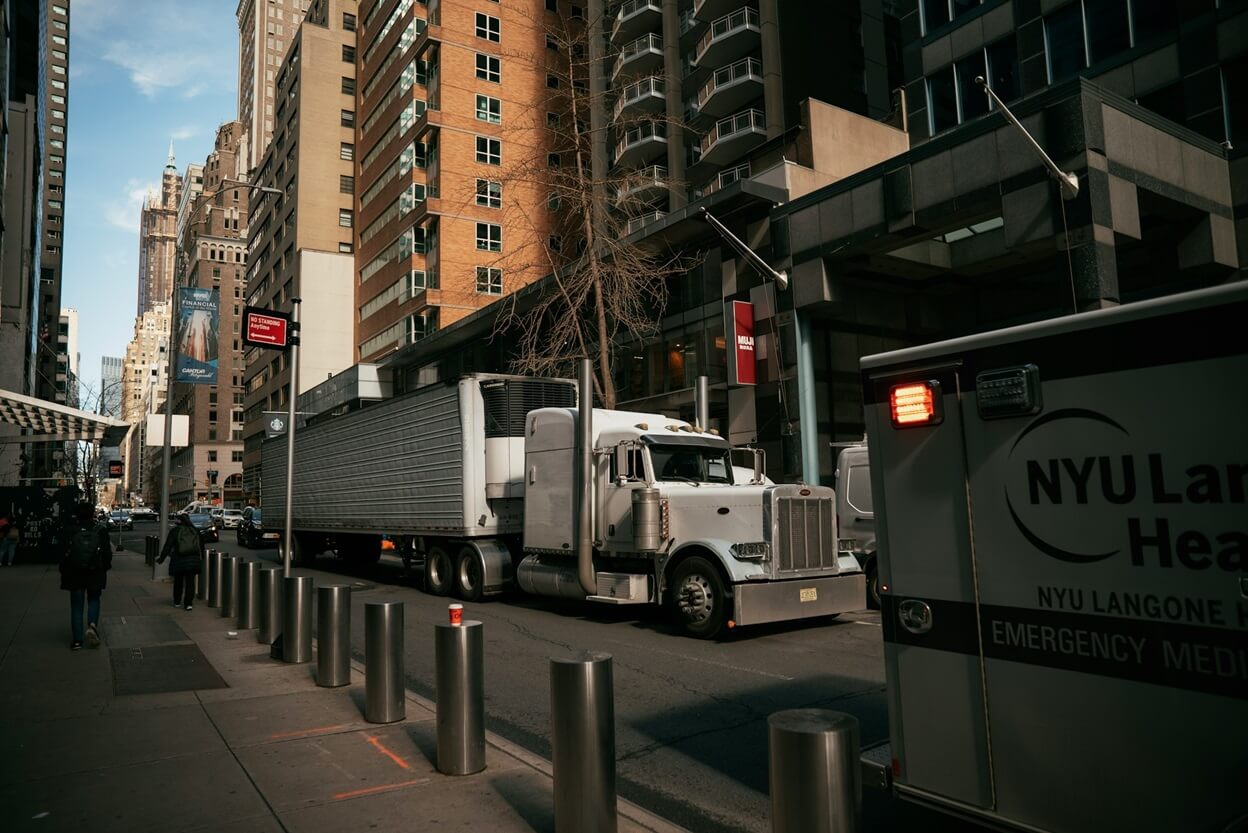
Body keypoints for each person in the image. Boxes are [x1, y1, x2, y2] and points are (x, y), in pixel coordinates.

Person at [59, 503, 112, 650]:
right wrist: (105, 567)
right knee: (94, 599)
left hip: (74, 573)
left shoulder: (70, 531)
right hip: (95, 572)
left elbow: (62, 553)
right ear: (92, 514)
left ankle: (77, 641)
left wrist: (63, 570)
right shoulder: (100, 530)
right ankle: (92, 625)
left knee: (76, 606)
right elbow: (107, 553)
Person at [158, 513, 202, 610]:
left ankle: (177, 601)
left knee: (178, 581)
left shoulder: (175, 531)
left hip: (179, 559)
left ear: (179, 521)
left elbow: (168, 546)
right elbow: (200, 546)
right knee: (190, 582)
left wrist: (161, 559)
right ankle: (188, 604)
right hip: (193, 560)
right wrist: (200, 559)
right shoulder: (194, 530)